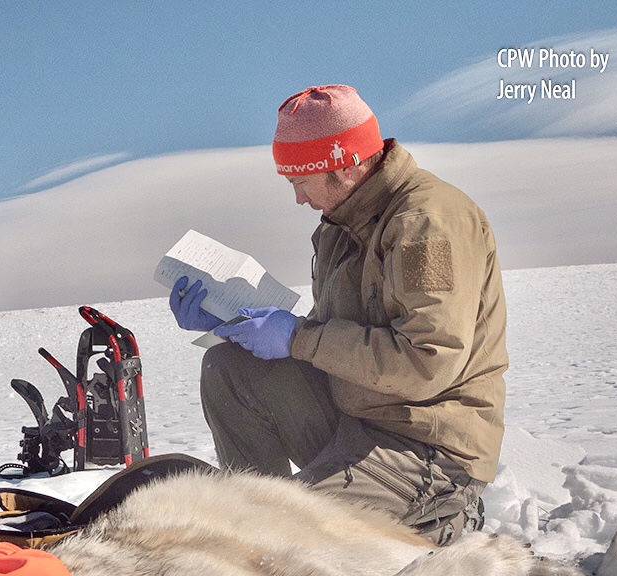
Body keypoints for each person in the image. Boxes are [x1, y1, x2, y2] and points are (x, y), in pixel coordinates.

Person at [171, 84, 506, 545]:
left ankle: (441, 515)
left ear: (343, 163)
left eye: (300, 182)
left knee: (280, 539)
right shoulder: (343, 224)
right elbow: (342, 333)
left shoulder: (427, 225)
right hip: (356, 418)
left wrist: (297, 339)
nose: (299, 200)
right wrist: (230, 320)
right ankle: (254, 509)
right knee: (231, 370)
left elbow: (427, 362)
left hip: (426, 447)